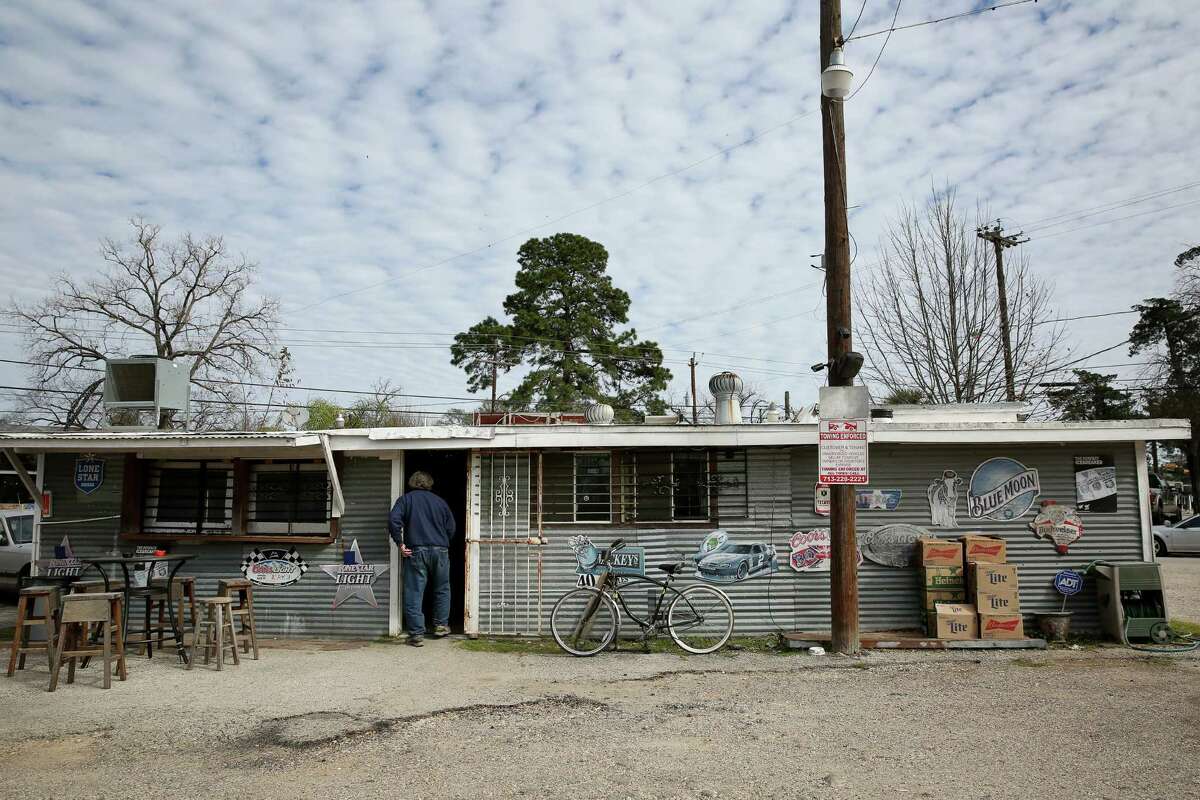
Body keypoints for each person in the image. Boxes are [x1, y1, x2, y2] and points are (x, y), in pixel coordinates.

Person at [388, 471, 457, 647]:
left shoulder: (406, 500)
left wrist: (400, 544)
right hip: (440, 550)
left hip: (416, 551)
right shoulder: (440, 502)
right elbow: (451, 527)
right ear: (430, 483)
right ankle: (441, 626)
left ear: (412, 482)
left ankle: (417, 634)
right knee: (442, 588)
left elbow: (393, 520)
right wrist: (442, 542)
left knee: (414, 591)